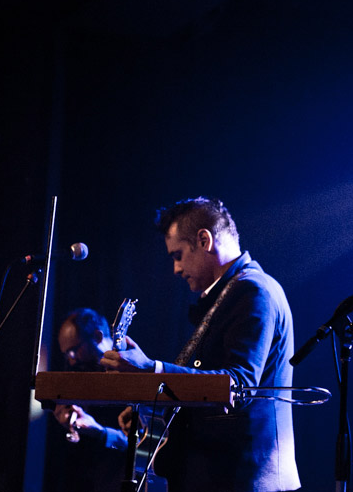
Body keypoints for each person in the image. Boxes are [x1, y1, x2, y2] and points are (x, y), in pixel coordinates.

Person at [100, 196, 301, 492]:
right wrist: (152, 410)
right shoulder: (231, 293)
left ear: (204, 240)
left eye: (177, 255)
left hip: (242, 479)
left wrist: (150, 369)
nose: (176, 269)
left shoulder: (253, 291)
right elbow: (206, 389)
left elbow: (239, 384)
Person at [46, 308, 133, 492]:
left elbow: (144, 446)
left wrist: (100, 432)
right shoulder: (83, 372)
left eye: (74, 350)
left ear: (98, 336)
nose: (71, 360)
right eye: (66, 354)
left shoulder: (133, 368)